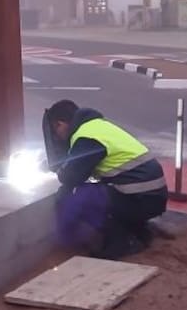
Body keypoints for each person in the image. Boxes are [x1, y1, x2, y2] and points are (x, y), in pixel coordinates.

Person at [45, 99, 168, 259]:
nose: (58, 137)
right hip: (152, 194)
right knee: (102, 193)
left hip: (141, 198)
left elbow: (71, 177)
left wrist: (60, 169)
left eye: (56, 131)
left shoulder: (86, 137)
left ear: (60, 124)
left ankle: (120, 244)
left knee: (82, 197)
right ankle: (141, 232)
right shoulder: (97, 126)